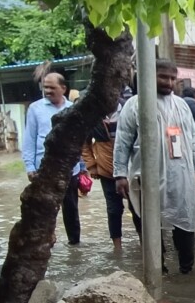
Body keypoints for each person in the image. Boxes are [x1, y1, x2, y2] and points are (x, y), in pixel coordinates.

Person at [114, 59, 195, 274]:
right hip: (145, 177)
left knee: (183, 223)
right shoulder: (135, 104)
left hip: (180, 175)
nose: (169, 82)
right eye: (164, 77)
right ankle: (157, 269)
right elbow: (123, 140)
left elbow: (192, 138)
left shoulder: (182, 105)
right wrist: (119, 174)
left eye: (173, 78)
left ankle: (186, 270)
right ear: (149, 76)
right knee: (147, 223)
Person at [23, 72, 85, 246]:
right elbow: (29, 139)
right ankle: (45, 243)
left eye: (52, 87)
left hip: (70, 169)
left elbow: (78, 140)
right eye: (45, 87)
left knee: (71, 209)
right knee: (45, 209)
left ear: (63, 89)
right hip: (44, 169)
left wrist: (83, 165)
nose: (48, 91)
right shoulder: (35, 108)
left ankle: (74, 245)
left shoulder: (73, 108)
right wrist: (29, 167)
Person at [82, 88, 140, 250]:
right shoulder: (93, 117)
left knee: (137, 208)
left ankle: (145, 243)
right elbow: (84, 143)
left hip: (132, 169)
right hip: (107, 171)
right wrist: (92, 166)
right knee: (114, 210)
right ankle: (118, 248)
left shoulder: (130, 110)